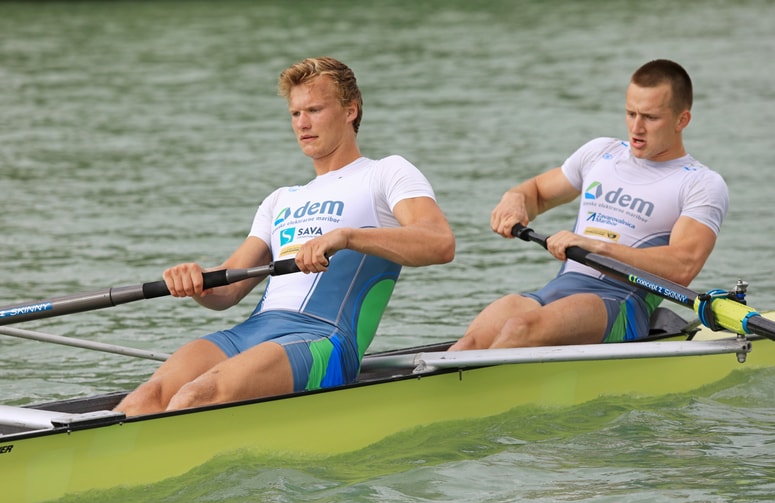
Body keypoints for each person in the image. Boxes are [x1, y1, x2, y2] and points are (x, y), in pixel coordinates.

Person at [116, 57, 455, 416]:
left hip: (321, 339)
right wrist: (194, 281)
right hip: (253, 332)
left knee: (195, 396)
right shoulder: (280, 199)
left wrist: (347, 238)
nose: (303, 124)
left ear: (350, 111)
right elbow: (227, 290)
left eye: (314, 109)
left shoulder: (386, 173)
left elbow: (439, 242)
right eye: (295, 114)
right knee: (144, 400)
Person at [450, 59, 728, 351]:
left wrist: (597, 245)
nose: (636, 127)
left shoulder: (700, 183)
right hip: (559, 292)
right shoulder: (600, 152)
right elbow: (537, 193)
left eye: (650, 117)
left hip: (618, 304)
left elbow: (682, 265)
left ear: (682, 120)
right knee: (468, 344)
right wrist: (515, 199)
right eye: (630, 113)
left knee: (519, 329)